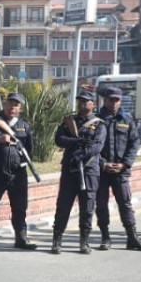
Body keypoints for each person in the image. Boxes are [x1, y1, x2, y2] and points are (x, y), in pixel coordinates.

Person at [93, 87, 141, 252]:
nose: (113, 103)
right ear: (104, 100)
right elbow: (91, 145)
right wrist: (103, 163)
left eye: (116, 100)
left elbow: (134, 143)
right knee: (101, 204)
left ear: (120, 101)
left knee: (125, 203)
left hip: (121, 170)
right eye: (110, 99)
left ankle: (132, 237)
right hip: (101, 171)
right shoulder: (96, 120)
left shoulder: (127, 119)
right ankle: (105, 237)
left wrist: (125, 164)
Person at [51, 91, 107, 254]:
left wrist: (82, 154)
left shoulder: (99, 124)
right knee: (63, 206)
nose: (82, 104)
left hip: (89, 169)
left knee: (87, 207)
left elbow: (98, 146)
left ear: (93, 104)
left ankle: (84, 241)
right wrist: (76, 141)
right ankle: (57, 240)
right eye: (80, 101)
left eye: (86, 101)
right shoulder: (69, 121)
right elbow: (59, 139)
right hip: (70, 168)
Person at [0, 92, 37, 250]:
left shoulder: (24, 125)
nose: (12, 107)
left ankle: (21, 238)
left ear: (20, 108)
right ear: (4, 104)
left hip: (18, 174)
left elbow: (29, 149)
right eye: (10, 104)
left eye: (16, 105)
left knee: (20, 208)